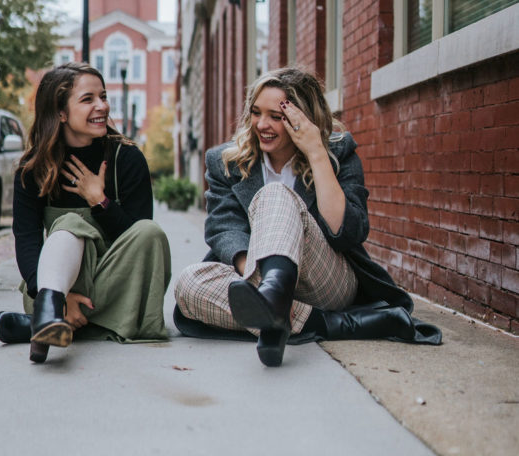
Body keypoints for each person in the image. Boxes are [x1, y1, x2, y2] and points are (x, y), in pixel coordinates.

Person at [174, 65, 440, 367]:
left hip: (325, 276)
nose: (262, 124)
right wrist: (256, 278)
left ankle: (276, 306)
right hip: (255, 275)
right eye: (256, 113)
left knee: (275, 195)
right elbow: (224, 229)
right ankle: (317, 320)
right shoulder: (226, 161)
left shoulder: (339, 153)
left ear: (304, 118)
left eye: (277, 116)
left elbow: (348, 232)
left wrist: (316, 154)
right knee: (187, 284)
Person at [0, 62, 171, 362]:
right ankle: (51, 309)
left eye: (103, 96)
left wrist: (99, 201)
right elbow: (27, 243)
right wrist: (52, 293)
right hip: (57, 283)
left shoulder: (126, 158)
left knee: (150, 232)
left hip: (119, 287)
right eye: (88, 99)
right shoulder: (32, 170)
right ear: (61, 112)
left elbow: (139, 243)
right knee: (69, 224)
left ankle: (42, 323)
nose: (101, 106)